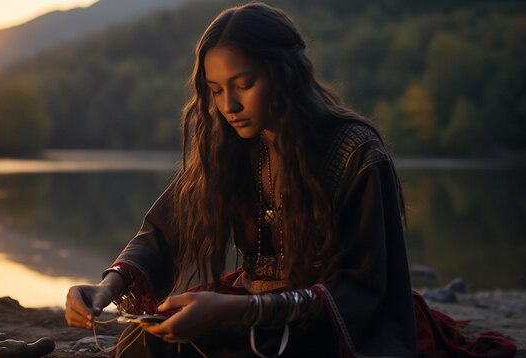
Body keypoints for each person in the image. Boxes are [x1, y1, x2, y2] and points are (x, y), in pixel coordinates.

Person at [65, 3, 517, 357]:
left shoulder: (356, 153)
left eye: (243, 83)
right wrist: (107, 287)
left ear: (284, 75)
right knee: (149, 341)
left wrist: (241, 309)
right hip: (249, 306)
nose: (229, 105)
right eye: (216, 89)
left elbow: (363, 290)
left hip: (328, 321)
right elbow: (165, 231)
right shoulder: (231, 147)